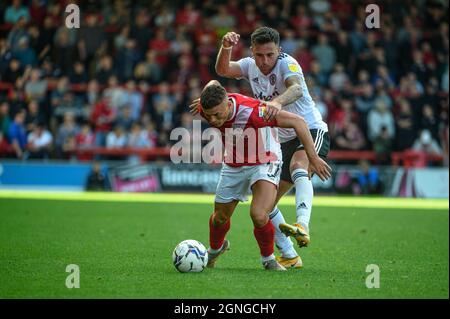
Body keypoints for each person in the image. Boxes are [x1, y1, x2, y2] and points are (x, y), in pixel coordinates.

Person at [190, 27, 330, 268]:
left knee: (299, 166)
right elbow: (221, 71)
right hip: (279, 137)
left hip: (309, 128)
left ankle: (302, 224)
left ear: (279, 51)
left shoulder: (287, 63)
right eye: (259, 55)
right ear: (252, 52)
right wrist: (225, 47)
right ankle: (289, 254)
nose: (265, 61)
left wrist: (276, 103)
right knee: (265, 209)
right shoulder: (250, 65)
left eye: (270, 55)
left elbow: (296, 88)